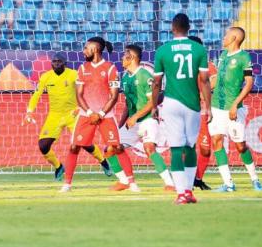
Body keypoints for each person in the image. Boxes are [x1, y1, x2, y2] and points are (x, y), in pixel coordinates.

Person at [64, 37, 139, 193]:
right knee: (73, 147)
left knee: (117, 147)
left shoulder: (111, 69)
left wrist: (101, 113)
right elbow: (79, 95)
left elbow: (114, 95)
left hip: (106, 116)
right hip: (86, 115)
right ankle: (67, 184)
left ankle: (131, 183)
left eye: (86, 48)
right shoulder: (82, 69)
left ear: (95, 49)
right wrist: (91, 112)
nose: (83, 51)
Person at [151, 13, 212, 205]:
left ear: (172, 28)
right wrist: (208, 107)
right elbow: (204, 81)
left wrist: (154, 106)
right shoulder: (199, 49)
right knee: (190, 146)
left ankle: (181, 193)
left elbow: (156, 83)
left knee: (176, 148)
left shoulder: (162, 50)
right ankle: (188, 191)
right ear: (189, 28)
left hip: (171, 103)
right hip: (192, 104)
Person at [24, 53, 112, 181]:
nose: (56, 63)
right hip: (54, 115)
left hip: (73, 114)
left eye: (59, 61)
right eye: (54, 61)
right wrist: (29, 111)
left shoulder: (74, 74)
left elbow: (85, 91)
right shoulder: (46, 77)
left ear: (65, 63)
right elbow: (36, 95)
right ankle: (59, 166)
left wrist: (79, 108)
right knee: (43, 146)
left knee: (84, 143)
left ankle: (103, 161)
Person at [209, 27, 262, 192]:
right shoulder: (224, 55)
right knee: (217, 140)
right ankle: (228, 183)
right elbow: (218, 78)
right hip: (216, 106)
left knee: (240, 146)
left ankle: (255, 179)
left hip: (233, 108)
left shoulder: (244, 57)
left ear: (233, 38)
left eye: (226, 35)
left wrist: (235, 104)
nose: (223, 37)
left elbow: (249, 82)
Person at [119, 44, 175, 191]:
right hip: (133, 121)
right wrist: (121, 124)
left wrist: (136, 116)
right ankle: (125, 181)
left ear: (132, 58)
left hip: (147, 119)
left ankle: (170, 183)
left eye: (125, 55)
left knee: (149, 147)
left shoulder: (144, 75)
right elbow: (127, 104)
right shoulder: (125, 77)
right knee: (112, 148)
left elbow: (152, 102)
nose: (122, 58)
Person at [187, 36, 216, 191]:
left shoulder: (207, 64)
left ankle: (197, 179)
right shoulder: (182, 66)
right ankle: (186, 180)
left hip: (203, 112)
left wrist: (202, 93)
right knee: (187, 146)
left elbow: (215, 79)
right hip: (186, 111)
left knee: (205, 149)